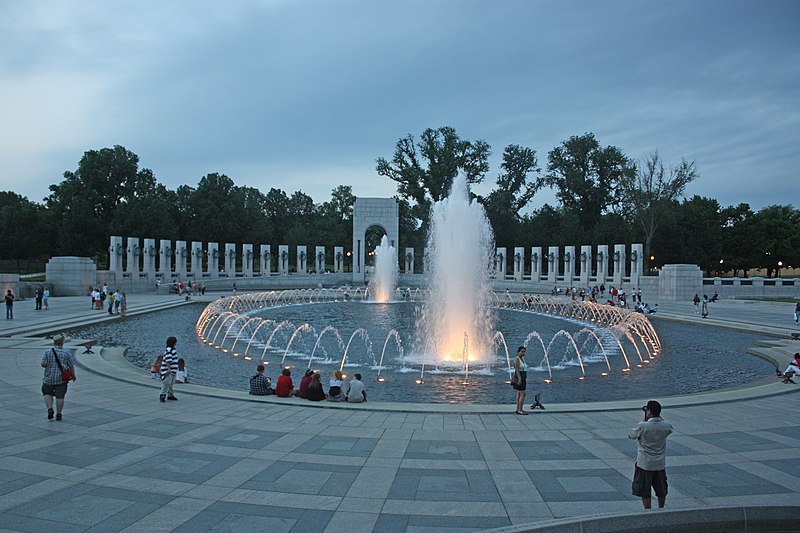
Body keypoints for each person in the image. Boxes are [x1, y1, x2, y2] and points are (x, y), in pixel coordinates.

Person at [628, 400, 673, 509]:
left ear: (649, 412)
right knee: (661, 490)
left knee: (645, 491)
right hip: (660, 463)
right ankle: (661, 508)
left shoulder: (643, 426)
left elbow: (631, 435)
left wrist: (644, 420)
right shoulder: (666, 426)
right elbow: (668, 428)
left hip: (644, 464)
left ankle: (648, 511)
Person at [41, 334, 76, 421]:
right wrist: (73, 375)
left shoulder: (47, 352)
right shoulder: (66, 353)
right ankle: (59, 414)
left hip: (48, 378)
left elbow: (43, 364)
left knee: (47, 393)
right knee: (60, 396)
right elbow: (71, 365)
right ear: (62, 342)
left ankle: (50, 408)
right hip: (61, 379)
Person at [159, 336, 179, 402]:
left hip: (173, 370)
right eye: (175, 342)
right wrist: (168, 369)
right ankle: (162, 395)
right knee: (167, 383)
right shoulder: (169, 350)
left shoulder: (173, 349)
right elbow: (168, 360)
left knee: (171, 383)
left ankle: (170, 395)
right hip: (168, 370)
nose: (176, 343)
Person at [513, 346, 528, 415]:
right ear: (518, 352)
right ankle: (520, 410)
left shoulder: (522, 359)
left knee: (519, 393)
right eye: (522, 351)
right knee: (523, 393)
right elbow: (517, 370)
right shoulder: (517, 359)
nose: (523, 353)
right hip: (520, 377)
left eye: (524, 351)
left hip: (523, 377)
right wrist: (520, 379)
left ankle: (518, 409)